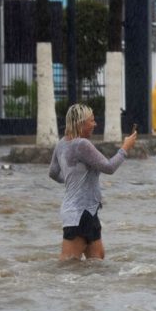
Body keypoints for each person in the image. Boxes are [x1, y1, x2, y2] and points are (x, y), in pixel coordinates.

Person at [49, 103, 137, 261]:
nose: (95, 124)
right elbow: (109, 168)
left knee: (97, 259)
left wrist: (71, 182)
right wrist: (125, 148)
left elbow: (53, 173)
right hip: (79, 214)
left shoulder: (61, 144)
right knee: (68, 263)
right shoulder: (82, 144)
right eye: (92, 120)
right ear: (80, 123)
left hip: (86, 211)